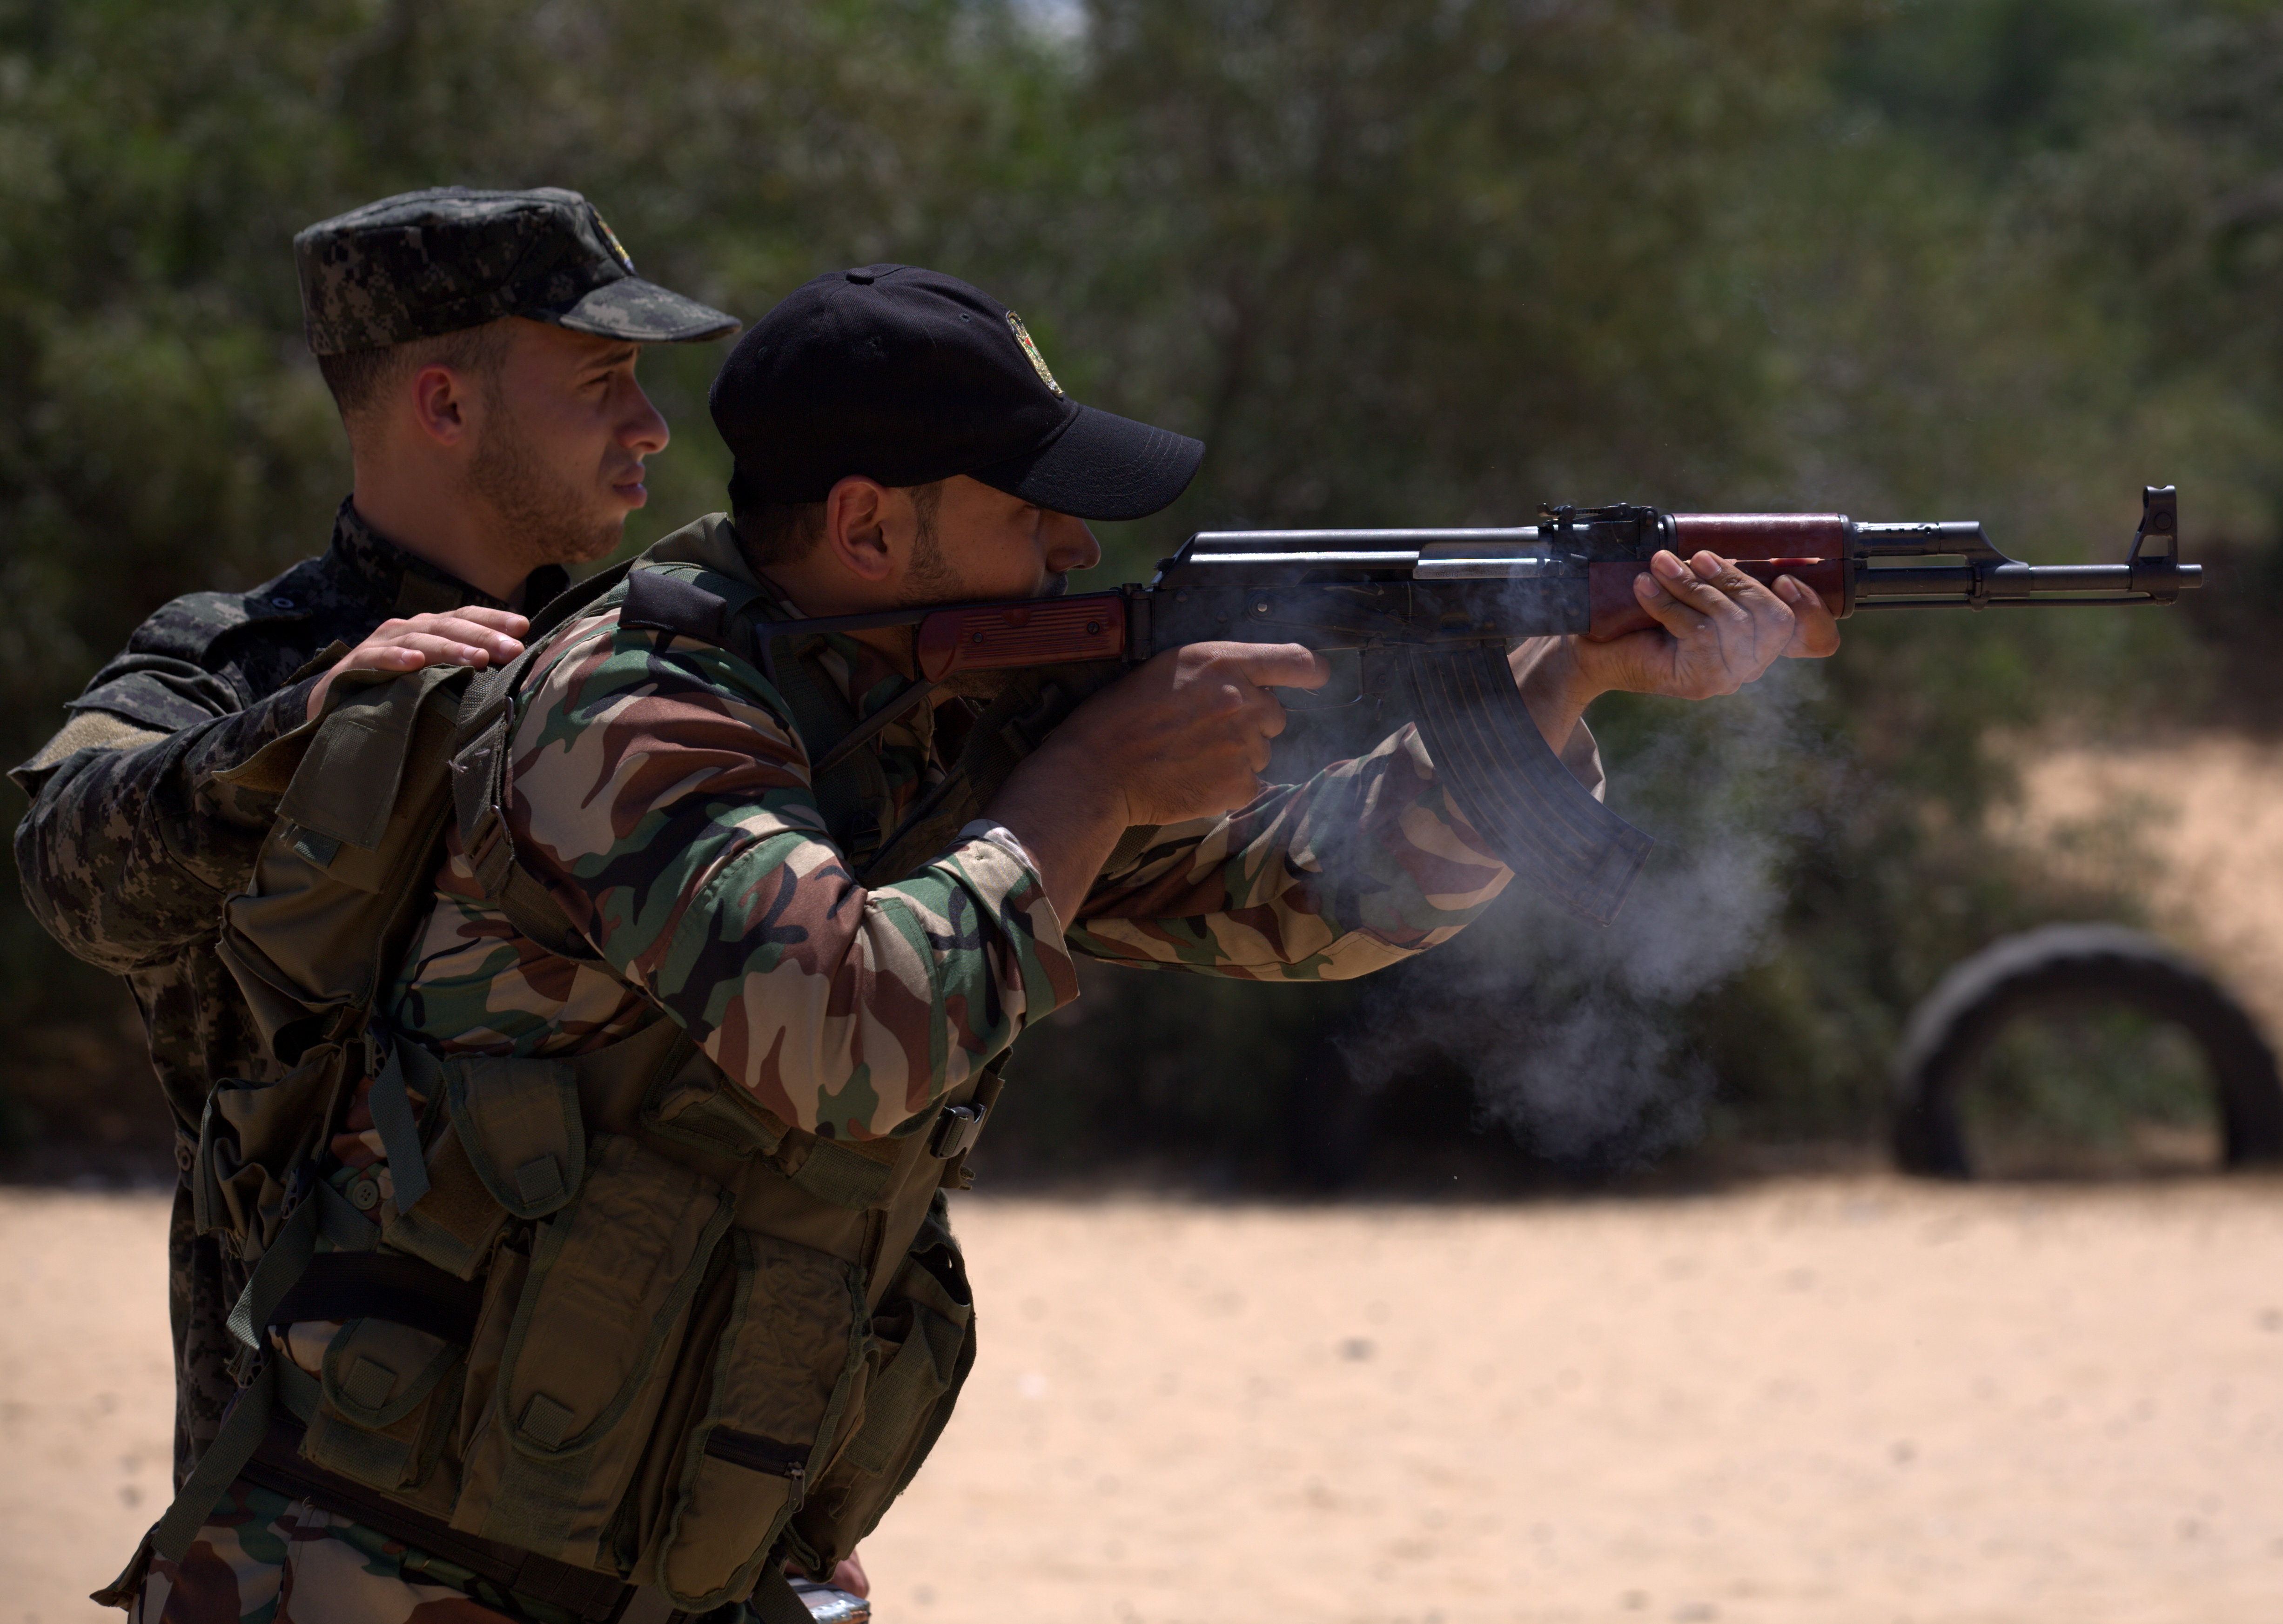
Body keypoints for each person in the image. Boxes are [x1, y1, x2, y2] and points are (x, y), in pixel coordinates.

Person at [132, 263, 1842, 1624]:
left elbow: (1306, 904)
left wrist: (1563, 679)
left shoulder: (937, 721)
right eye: (1031, 507)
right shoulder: (635, 708)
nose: (1076, 549)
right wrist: (1093, 780)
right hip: (385, 1569)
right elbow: (850, 1039)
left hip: (661, 1562)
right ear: (870, 527)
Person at [6, 185, 739, 1610]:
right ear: (445, 405)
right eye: (602, 379)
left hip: (633, 1495)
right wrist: (316, 729)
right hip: (323, 1522)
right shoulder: (233, 662)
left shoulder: (650, 669)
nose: (652, 425)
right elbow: (70, 871)